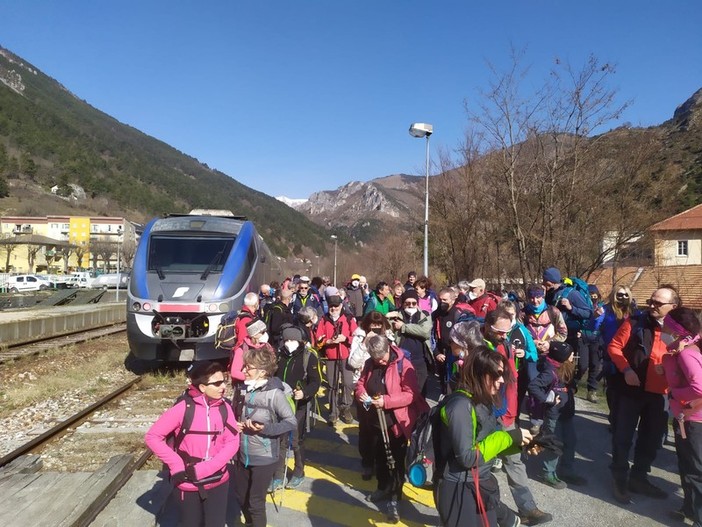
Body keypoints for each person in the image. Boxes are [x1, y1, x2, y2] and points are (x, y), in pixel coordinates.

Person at [434, 346, 534, 527]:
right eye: (496, 375)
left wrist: (522, 443)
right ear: (479, 374)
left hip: (479, 483)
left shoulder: (482, 400)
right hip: (458, 487)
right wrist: (509, 437)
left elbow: (487, 443)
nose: (502, 380)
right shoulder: (460, 406)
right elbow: (467, 457)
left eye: (503, 374)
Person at [607, 285, 679, 504]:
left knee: (651, 438)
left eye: (658, 303)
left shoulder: (678, 329)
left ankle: (639, 477)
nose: (652, 306)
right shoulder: (635, 322)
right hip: (631, 389)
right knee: (623, 436)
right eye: (651, 301)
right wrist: (626, 370)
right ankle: (620, 478)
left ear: (673, 306)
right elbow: (614, 347)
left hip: (660, 393)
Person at [145, 361, 239, 527]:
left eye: (224, 380)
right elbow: (153, 436)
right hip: (188, 483)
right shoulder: (184, 408)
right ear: (202, 387)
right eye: (217, 383)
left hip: (218, 481)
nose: (223, 386)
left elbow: (233, 441)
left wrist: (207, 468)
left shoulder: (225, 407)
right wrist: (176, 464)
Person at [484, 308, 553, 526]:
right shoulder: (479, 349)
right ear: (487, 326)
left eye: (507, 331)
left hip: (508, 415)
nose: (505, 336)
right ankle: (478, 511)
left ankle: (528, 509)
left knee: (515, 462)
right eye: (499, 332)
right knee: (480, 467)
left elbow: (512, 381)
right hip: (487, 417)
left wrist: (513, 415)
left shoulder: (506, 345)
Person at [355, 335, 429, 523]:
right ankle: (382, 487)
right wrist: (362, 394)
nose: (379, 361)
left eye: (382, 357)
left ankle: (395, 496)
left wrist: (386, 401)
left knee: (395, 461)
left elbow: (411, 395)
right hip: (374, 421)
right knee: (379, 457)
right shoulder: (371, 363)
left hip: (396, 422)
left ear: (389, 349)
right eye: (375, 358)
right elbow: (361, 383)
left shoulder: (404, 366)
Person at [232, 346, 297, 527]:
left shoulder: (275, 394)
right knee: (241, 496)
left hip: (264, 456)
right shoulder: (242, 389)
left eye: (248, 367)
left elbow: (291, 423)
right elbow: (232, 414)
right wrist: (233, 425)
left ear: (262, 372)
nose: (244, 370)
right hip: (242, 454)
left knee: (255, 502)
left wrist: (265, 428)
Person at [661, 307, 702, 525]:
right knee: (687, 468)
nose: (663, 326)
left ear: (676, 328)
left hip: (695, 420)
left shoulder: (687, 353)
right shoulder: (683, 349)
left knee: (696, 470)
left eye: (666, 323)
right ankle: (689, 509)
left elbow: (699, 387)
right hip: (686, 418)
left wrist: (674, 393)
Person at [528, 341, 587, 489]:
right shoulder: (550, 372)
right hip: (554, 415)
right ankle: (548, 473)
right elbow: (533, 386)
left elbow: (566, 385)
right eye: (571, 354)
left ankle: (567, 470)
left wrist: (571, 388)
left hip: (566, 413)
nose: (573, 356)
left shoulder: (564, 368)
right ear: (562, 357)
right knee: (554, 444)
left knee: (571, 441)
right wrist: (548, 399)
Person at [271, 325, 322, 490]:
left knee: (296, 439)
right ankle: (278, 476)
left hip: (299, 404)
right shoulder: (278, 355)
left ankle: (299, 472)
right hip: (280, 403)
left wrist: (305, 393)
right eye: (286, 340)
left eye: (292, 340)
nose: (289, 343)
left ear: (299, 341)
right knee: (280, 438)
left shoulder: (308, 357)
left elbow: (316, 381)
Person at [542, 267, 593, 385]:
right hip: (554, 335)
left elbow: (588, 313)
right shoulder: (548, 294)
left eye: (546, 282)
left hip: (570, 336)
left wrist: (571, 308)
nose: (544, 284)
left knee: (567, 365)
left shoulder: (572, 294)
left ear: (553, 281)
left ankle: (568, 387)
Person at [316, 294, 358, 424]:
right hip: (330, 357)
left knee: (347, 383)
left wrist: (346, 339)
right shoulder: (323, 319)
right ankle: (333, 412)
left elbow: (357, 337)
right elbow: (318, 338)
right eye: (331, 306)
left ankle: (345, 408)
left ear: (341, 306)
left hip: (345, 356)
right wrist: (327, 341)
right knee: (332, 384)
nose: (333, 308)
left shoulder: (349, 319)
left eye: (336, 306)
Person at [600, 285, 638, 426]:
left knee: (625, 389)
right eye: (620, 295)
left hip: (630, 355)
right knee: (613, 389)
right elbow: (593, 329)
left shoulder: (635, 312)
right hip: (611, 354)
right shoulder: (605, 310)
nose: (623, 297)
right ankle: (614, 417)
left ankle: (623, 419)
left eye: (626, 295)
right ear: (614, 296)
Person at [433, 287, 476, 394]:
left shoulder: (458, 315)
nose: (442, 302)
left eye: (445, 300)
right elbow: (433, 335)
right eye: (440, 300)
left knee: (453, 381)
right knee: (443, 381)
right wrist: (436, 352)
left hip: (455, 355)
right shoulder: (437, 315)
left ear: (452, 300)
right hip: (441, 354)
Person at [389, 289, 432, 395]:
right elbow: (388, 332)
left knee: (421, 393)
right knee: (403, 391)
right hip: (401, 360)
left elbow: (424, 332)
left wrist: (403, 327)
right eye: (407, 303)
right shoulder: (395, 316)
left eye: (414, 303)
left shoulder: (424, 315)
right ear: (403, 303)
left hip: (420, 360)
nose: (411, 305)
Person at [230, 319, 274, 394]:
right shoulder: (242, 349)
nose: (265, 334)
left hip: (265, 385)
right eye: (262, 332)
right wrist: (251, 378)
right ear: (254, 334)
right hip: (246, 387)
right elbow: (234, 372)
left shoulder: (267, 346)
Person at [581, 285, 606, 402]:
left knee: (595, 365)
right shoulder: (583, 306)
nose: (593, 299)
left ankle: (592, 391)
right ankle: (573, 384)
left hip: (596, 338)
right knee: (583, 365)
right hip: (583, 337)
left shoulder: (603, 308)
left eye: (595, 296)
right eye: (591, 296)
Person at [447, 319, 484, 391]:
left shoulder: (477, 365)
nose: (449, 345)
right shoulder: (459, 363)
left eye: (451, 341)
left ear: (462, 344)